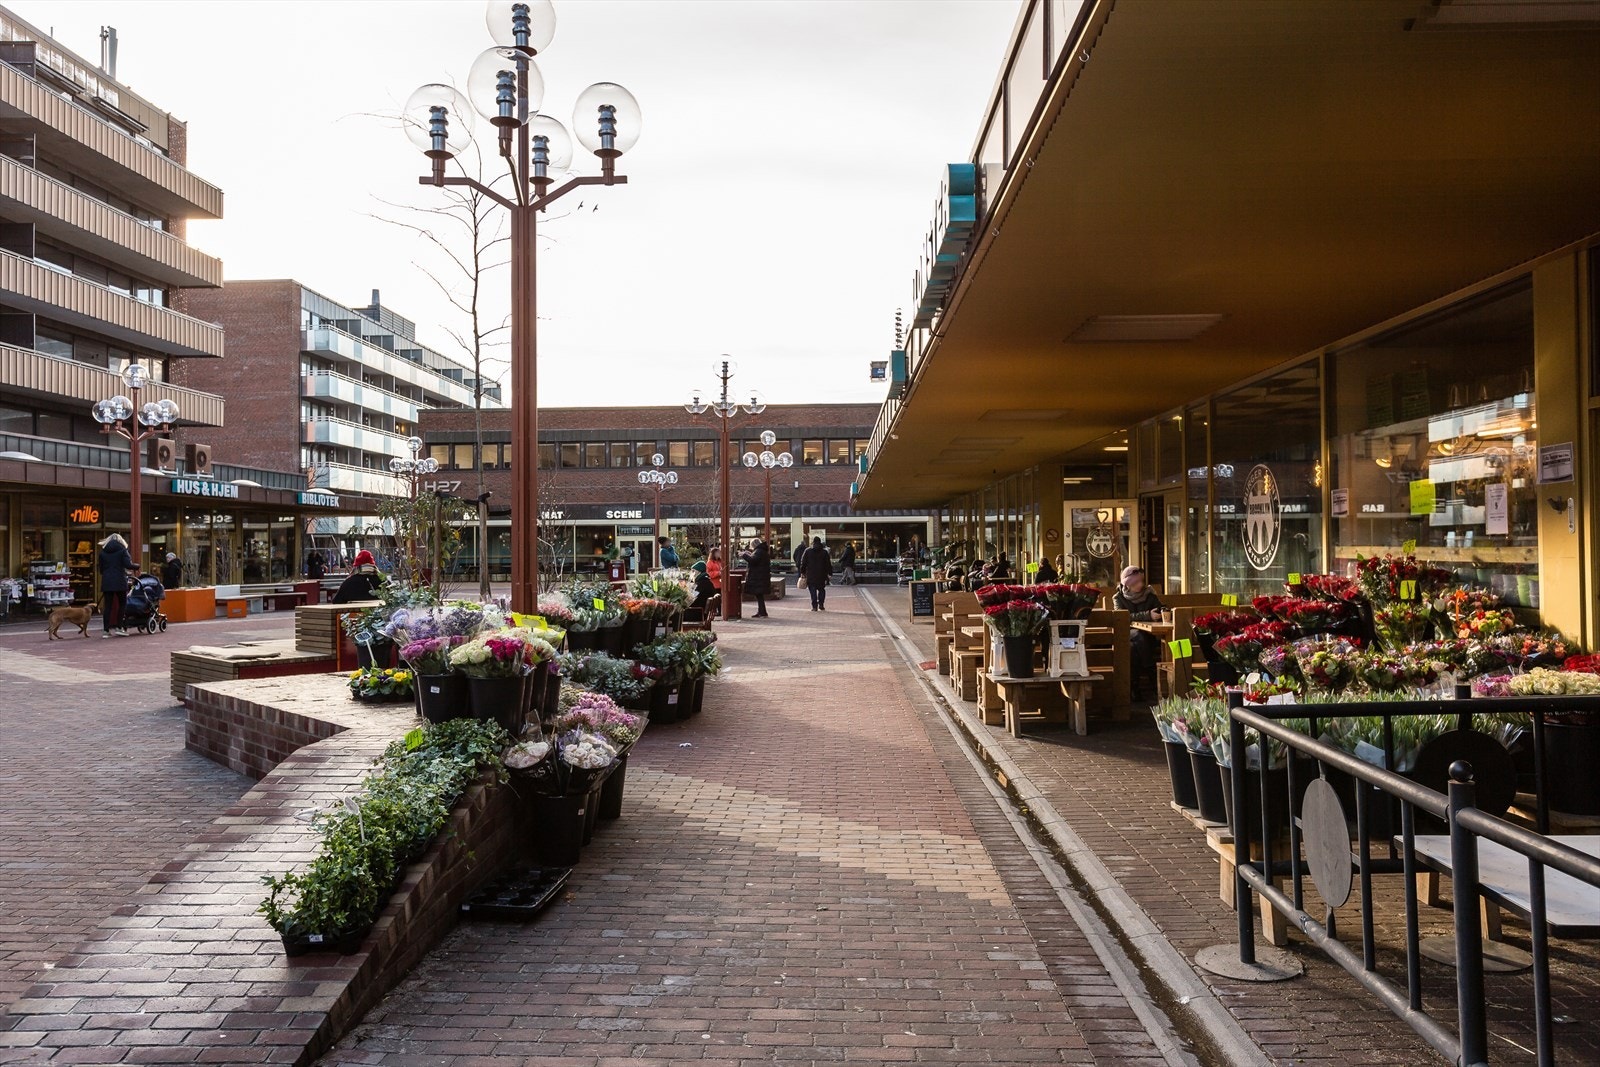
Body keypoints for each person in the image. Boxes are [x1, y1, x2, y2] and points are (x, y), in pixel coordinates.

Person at [1114, 565, 1166, 702]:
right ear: (1128, 584)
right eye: (1136, 582)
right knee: (1137, 636)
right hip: (1127, 633)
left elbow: (1160, 607)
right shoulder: (1118, 598)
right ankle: (1151, 676)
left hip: (1148, 636)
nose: (1141, 585)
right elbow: (1124, 617)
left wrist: (1162, 612)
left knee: (1133, 649)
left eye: (1141, 581)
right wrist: (1148, 615)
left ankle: (1135, 688)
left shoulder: (1149, 594)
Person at [97, 532, 135, 638]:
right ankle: (119, 627)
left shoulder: (103, 552)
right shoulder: (123, 551)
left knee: (107, 606)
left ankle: (105, 630)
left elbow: (101, 568)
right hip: (119, 580)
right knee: (122, 604)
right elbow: (128, 565)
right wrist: (136, 566)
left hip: (107, 581)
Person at [800, 536, 833, 611]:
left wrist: (802, 572)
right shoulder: (824, 552)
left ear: (813, 542)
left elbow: (803, 563)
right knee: (821, 589)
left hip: (811, 574)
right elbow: (828, 564)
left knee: (812, 590)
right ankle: (821, 604)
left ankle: (814, 606)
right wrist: (830, 573)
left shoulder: (808, 551)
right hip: (822, 574)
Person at [741, 538, 772, 618]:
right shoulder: (762, 551)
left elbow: (753, 561)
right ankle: (762, 611)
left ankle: (762, 612)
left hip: (758, 577)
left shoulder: (758, 551)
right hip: (762, 576)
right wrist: (749, 554)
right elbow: (756, 559)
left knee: (759, 595)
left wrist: (744, 555)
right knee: (759, 596)